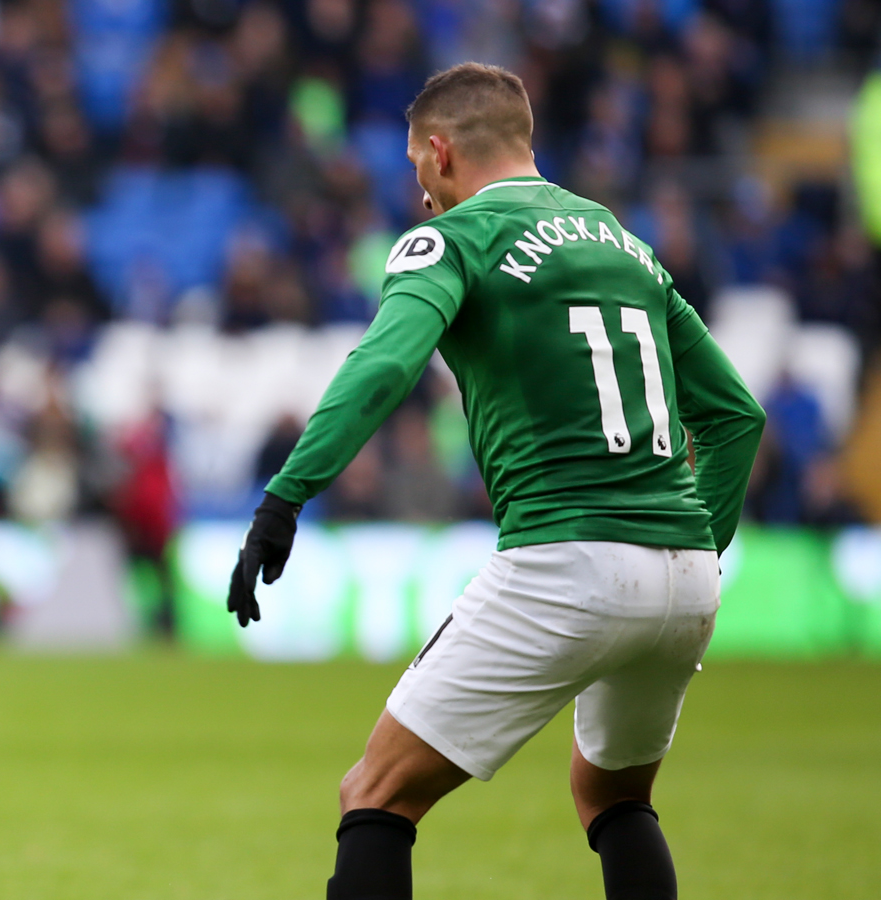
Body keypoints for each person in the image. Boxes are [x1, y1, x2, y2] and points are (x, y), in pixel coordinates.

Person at [227, 63, 764, 900]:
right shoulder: (623, 242)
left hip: (566, 559)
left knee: (375, 792)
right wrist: (695, 544)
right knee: (613, 795)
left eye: (417, 171)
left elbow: (383, 365)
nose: (421, 194)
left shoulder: (456, 238)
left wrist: (285, 495)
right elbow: (736, 416)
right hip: (686, 575)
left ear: (440, 154)